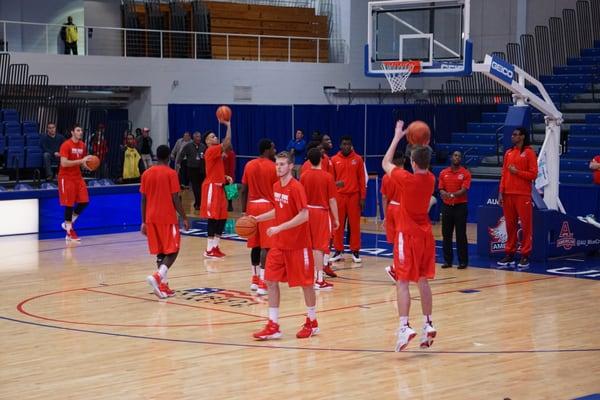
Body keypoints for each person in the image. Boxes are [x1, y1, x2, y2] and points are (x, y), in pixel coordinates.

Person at [251, 151, 319, 340]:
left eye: (282, 164)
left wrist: (280, 227)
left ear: (290, 166)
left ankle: (312, 322)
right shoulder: (275, 186)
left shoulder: (296, 188)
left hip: (299, 245)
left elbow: (304, 215)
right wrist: (258, 218)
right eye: (277, 164)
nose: (278, 167)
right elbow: (277, 210)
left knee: (306, 285)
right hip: (280, 245)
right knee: (271, 281)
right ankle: (273, 325)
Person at [382, 120, 437, 352]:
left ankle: (404, 326)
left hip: (407, 235)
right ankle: (428, 323)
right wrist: (422, 143)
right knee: (422, 280)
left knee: (403, 281)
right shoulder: (431, 179)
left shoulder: (406, 179)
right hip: (426, 235)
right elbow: (423, 156)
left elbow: (385, 162)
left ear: (412, 162)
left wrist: (397, 136)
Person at [142, 145, 190, 299]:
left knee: (161, 251)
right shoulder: (171, 173)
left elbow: (143, 199)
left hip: (150, 217)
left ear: (156, 156)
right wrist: (184, 217)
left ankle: (163, 285)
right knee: (173, 249)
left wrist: (143, 221)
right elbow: (175, 198)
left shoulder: (147, 173)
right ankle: (157, 277)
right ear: (169, 157)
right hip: (167, 217)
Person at [240, 139, 278, 295]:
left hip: (252, 206)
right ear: (267, 150)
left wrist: (243, 211)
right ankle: (263, 281)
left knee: (254, 244)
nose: (275, 151)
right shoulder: (274, 167)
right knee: (266, 247)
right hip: (267, 207)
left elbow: (243, 190)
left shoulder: (249, 165)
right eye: (273, 148)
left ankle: (254, 279)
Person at [497, 127, 538, 269]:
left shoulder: (529, 153)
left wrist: (517, 172)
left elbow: (533, 175)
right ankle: (510, 253)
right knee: (510, 226)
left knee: (526, 226)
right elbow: (503, 174)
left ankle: (525, 255)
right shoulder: (508, 153)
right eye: (513, 134)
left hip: (523, 194)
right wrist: (501, 192)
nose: (512, 137)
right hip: (508, 194)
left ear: (522, 137)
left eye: (515, 135)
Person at [300, 148, 340, 290]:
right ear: (322, 160)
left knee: (307, 246)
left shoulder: (304, 176)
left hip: (307, 212)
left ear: (309, 160)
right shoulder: (327, 177)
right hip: (321, 213)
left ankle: (306, 277)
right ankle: (319, 279)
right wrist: (336, 218)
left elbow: (301, 197)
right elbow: (332, 200)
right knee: (319, 248)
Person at [330, 135, 367, 263]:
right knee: (338, 225)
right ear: (340, 146)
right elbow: (331, 181)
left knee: (355, 225)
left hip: (354, 196)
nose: (346, 146)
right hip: (339, 196)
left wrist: (362, 197)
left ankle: (355, 251)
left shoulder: (358, 159)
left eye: (348, 144)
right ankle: (338, 250)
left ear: (351, 145)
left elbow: (362, 179)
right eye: (344, 144)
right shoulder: (334, 159)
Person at [200, 121, 233, 258]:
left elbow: (228, 147)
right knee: (213, 218)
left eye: (215, 136)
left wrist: (224, 177)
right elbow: (227, 142)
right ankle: (208, 250)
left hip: (220, 186)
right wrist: (228, 125)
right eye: (212, 137)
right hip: (211, 188)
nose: (215, 138)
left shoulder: (216, 152)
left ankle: (215, 246)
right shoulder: (211, 150)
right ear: (207, 141)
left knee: (222, 218)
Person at [58, 123, 92, 242]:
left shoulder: (83, 145)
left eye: (81, 131)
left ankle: (68, 224)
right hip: (66, 177)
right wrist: (81, 161)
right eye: (78, 130)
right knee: (69, 204)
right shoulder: (66, 145)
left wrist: (87, 166)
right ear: (72, 132)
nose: (80, 132)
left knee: (84, 201)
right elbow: (64, 163)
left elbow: (81, 162)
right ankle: (69, 232)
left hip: (77, 177)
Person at [438, 151, 472, 269]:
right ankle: (448, 261)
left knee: (461, 235)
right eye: (455, 155)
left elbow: (464, 190)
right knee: (446, 235)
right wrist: (444, 194)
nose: (457, 157)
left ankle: (463, 261)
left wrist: (451, 195)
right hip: (447, 207)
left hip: (460, 207)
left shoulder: (465, 173)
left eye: (459, 156)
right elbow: (441, 188)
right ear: (451, 157)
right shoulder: (443, 173)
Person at [380, 149, 405, 282]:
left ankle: (396, 268)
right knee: (401, 241)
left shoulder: (386, 176)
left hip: (391, 208)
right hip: (402, 209)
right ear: (404, 160)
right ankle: (395, 268)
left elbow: (384, 197)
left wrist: (385, 215)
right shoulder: (405, 175)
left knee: (396, 241)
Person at [176, 132, 206, 211]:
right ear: (193, 138)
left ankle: (199, 203)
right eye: (197, 137)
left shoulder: (203, 146)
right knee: (195, 187)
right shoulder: (188, 146)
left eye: (199, 137)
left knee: (201, 187)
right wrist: (178, 163)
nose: (199, 138)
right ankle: (197, 203)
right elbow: (181, 154)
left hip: (201, 169)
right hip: (192, 169)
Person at [224, 148, 237, 212]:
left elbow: (232, 165)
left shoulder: (230, 153)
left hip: (228, 174)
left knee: (230, 192)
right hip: (228, 174)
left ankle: (230, 205)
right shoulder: (230, 153)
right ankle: (229, 205)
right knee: (229, 192)